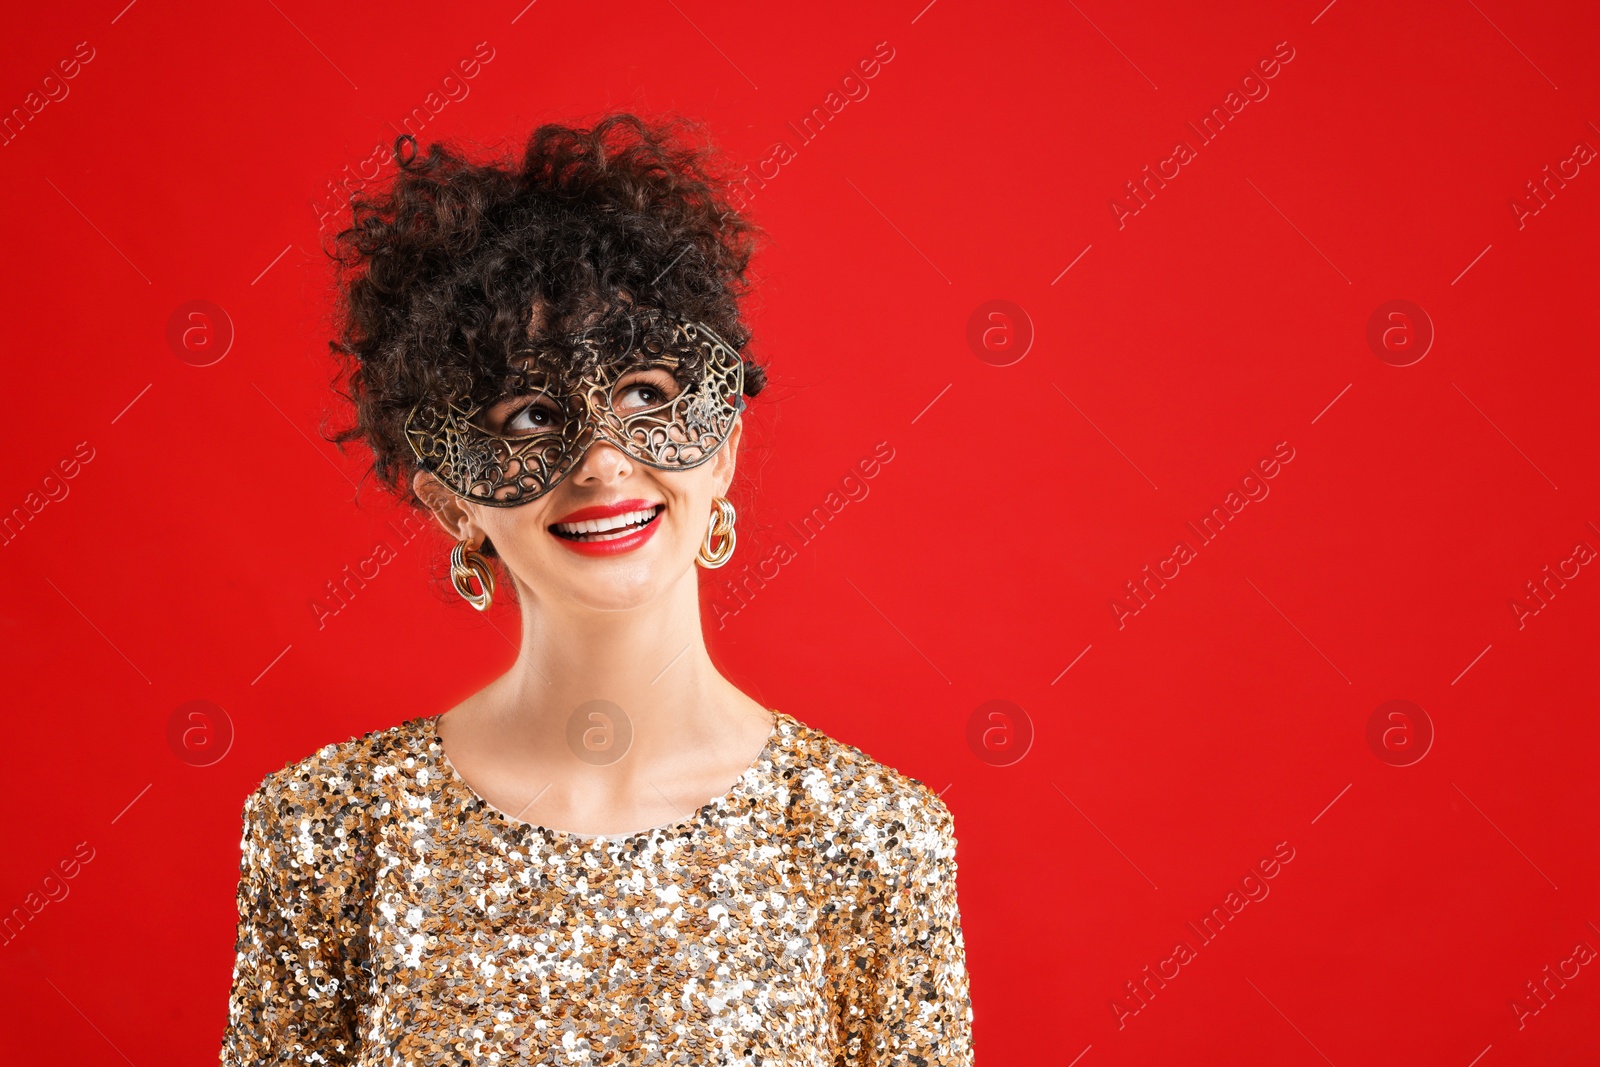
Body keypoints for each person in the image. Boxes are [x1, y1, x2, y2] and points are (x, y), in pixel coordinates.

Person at [219, 113, 974, 1066]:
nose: (603, 462)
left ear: (726, 447)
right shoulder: (325, 832)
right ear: (453, 503)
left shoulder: (876, 838)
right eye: (531, 414)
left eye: (648, 394)